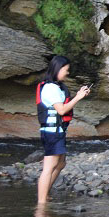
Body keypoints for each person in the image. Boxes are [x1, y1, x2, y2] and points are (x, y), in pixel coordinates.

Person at [36, 55, 91, 204]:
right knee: (49, 167)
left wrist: (79, 95)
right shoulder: (50, 88)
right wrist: (78, 97)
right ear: (57, 69)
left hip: (57, 132)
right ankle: (41, 204)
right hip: (51, 133)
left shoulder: (57, 87)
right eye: (66, 70)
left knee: (60, 164)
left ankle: (45, 195)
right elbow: (61, 110)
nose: (67, 73)